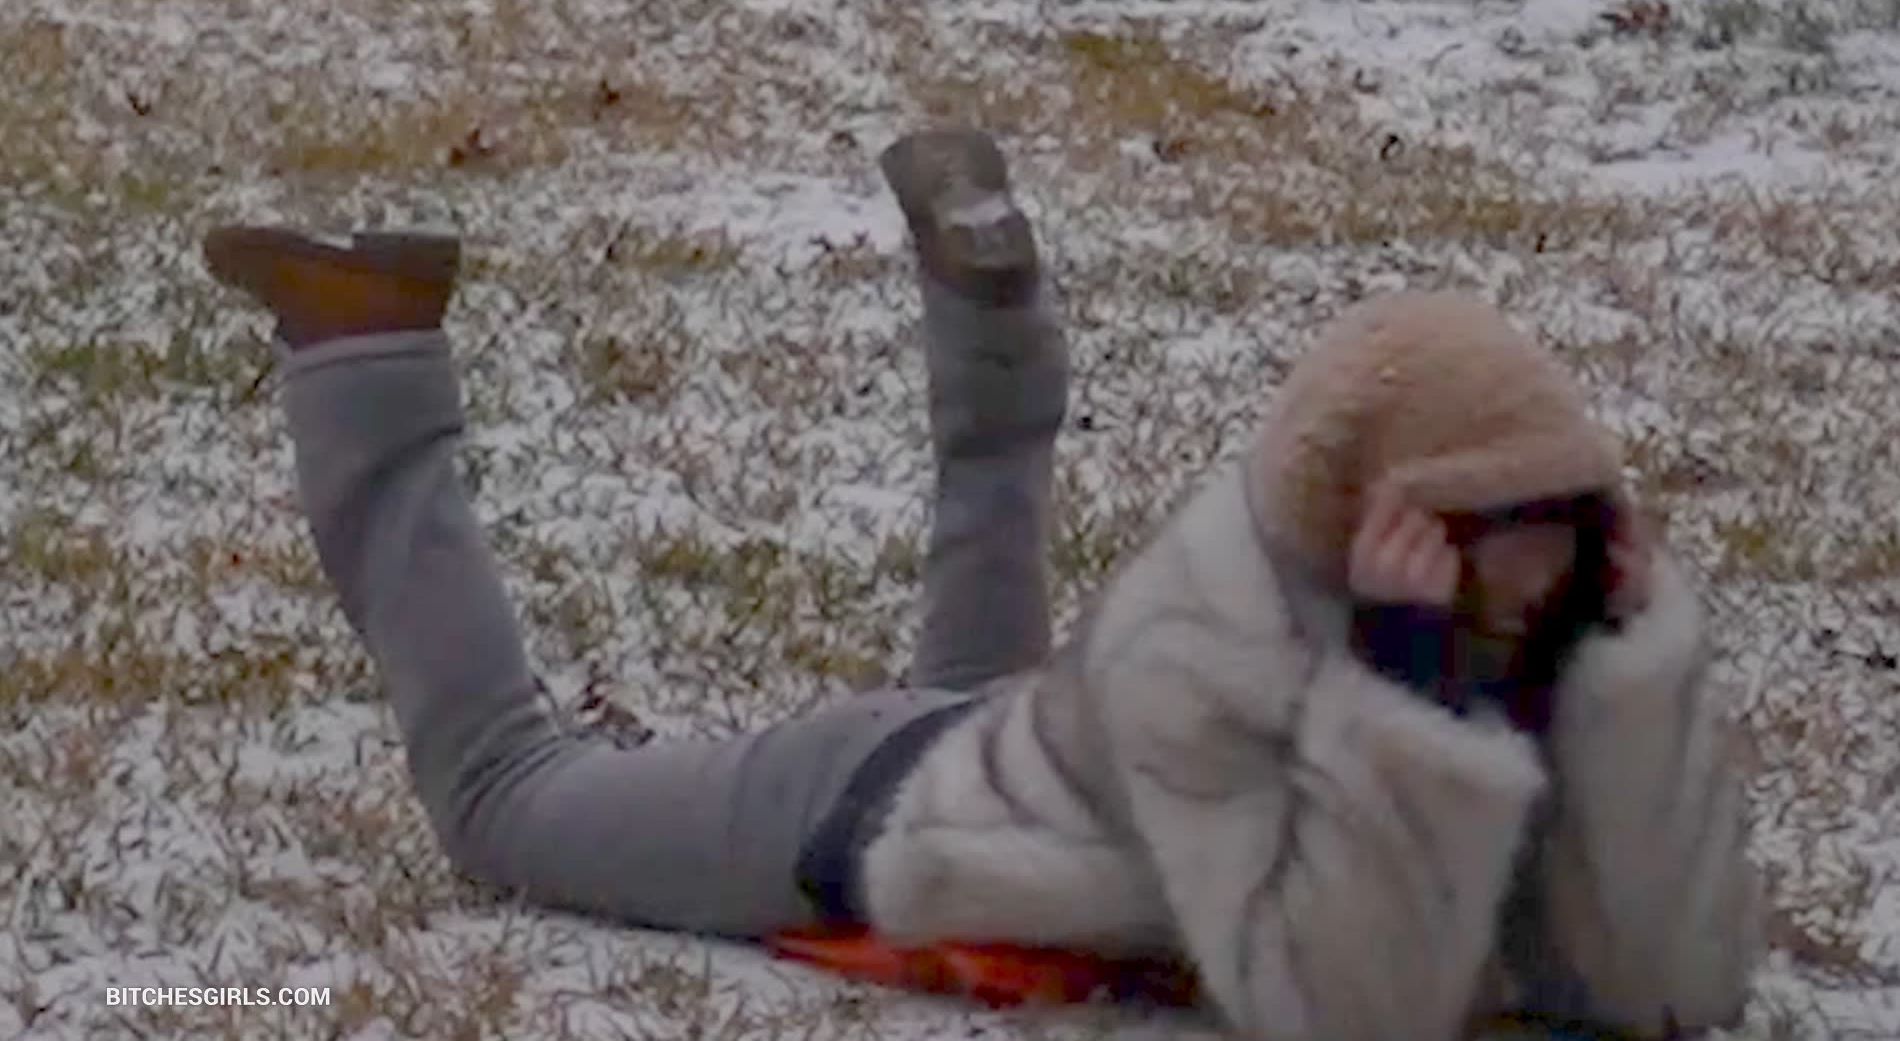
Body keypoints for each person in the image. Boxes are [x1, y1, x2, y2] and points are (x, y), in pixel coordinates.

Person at [200, 126, 1761, 1041]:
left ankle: (991, 312)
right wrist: (1430, 695)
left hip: (952, 776)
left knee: (978, 716)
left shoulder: (1430, 668)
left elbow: (1670, 984)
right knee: (503, 796)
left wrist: (1618, 673)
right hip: (899, 797)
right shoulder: (1312, 690)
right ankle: (363, 346)